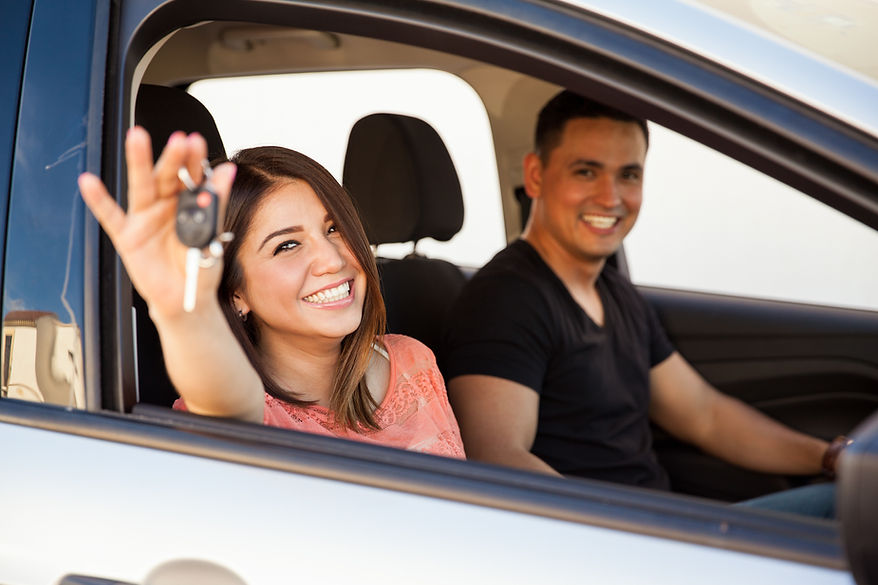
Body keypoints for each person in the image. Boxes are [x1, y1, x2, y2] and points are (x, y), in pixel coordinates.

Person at [441, 90, 849, 516]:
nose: (611, 197)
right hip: (619, 544)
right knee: (855, 507)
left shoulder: (614, 292)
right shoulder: (505, 299)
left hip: (659, 528)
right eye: (586, 172)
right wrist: (628, 541)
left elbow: (704, 415)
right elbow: (498, 457)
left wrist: (832, 456)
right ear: (536, 175)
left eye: (629, 175)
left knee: (855, 494)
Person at [79, 127, 464, 458]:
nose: (331, 259)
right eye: (287, 246)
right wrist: (183, 312)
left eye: (333, 229)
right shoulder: (241, 411)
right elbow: (222, 401)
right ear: (235, 295)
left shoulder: (413, 361)